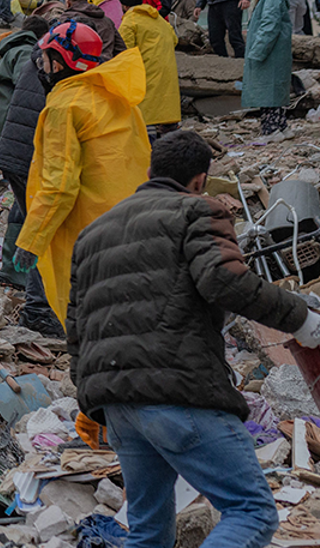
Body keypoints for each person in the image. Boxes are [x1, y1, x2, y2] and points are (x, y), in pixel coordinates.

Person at [67, 128, 320, 548]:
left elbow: (76, 324)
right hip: (177, 392)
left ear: (151, 171)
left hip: (117, 405)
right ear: (200, 180)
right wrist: (302, 320)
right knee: (252, 511)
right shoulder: (198, 210)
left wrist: (89, 399)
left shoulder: (93, 233)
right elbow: (224, 280)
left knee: (148, 531)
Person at [13, 23, 150, 325]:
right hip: (133, 223)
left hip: (89, 230)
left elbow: (59, 186)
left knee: (89, 318)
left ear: (58, 63)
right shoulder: (117, 95)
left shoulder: (65, 107)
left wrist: (31, 241)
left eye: (44, 59)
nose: (41, 66)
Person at [0, 20, 60, 333]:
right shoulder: (55, 72)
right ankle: (38, 309)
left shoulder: (32, 55)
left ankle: (15, 273)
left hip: (13, 151)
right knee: (45, 231)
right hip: (29, 156)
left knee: (30, 218)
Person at [0, 17, 48, 287]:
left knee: (21, 204)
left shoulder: (14, 50)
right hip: (19, 141)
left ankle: (13, 271)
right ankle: (22, 276)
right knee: (30, 208)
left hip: (4, 134)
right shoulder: (29, 56)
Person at [118, 0, 180, 141]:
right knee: (167, 113)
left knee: (147, 115)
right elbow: (174, 40)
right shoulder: (158, 18)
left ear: (124, 6)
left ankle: (150, 148)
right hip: (168, 73)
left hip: (146, 73)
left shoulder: (130, 21)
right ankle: (173, 144)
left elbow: (124, 50)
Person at [243, 0, 293, 136]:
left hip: (270, 52)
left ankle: (271, 131)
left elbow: (269, 24)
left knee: (267, 91)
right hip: (273, 51)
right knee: (274, 90)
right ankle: (281, 127)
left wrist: (257, 51)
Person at [0, 16, 47, 157]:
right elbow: (26, 86)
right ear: (43, 36)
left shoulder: (14, 50)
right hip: (8, 129)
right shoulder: (26, 53)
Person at [59, 0, 124, 60]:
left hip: (79, 65)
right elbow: (121, 49)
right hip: (107, 64)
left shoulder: (66, 20)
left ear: (68, 3)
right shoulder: (106, 20)